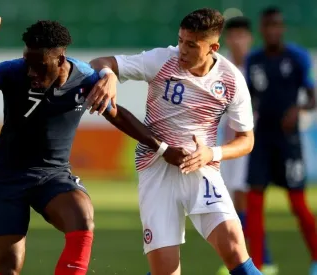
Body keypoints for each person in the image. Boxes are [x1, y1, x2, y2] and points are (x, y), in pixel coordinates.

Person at [0, 16, 169, 275]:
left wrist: (161, 147)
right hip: (7, 178)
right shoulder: (14, 72)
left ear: (61, 60)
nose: (31, 73)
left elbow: (116, 114)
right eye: (28, 64)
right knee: (8, 269)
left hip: (53, 176)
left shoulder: (86, 79)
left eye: (39, 66)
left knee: (83, 218)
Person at [89, 8, 262, 275]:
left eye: (192, 45)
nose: (182, 49)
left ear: (213, 47)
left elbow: (246, 140)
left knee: (235, 251)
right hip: (156, 168)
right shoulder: (161, 60)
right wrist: (109, 75)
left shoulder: (231, 80)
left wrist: (211, 154)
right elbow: (101, 62)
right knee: (166, 271)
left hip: (202, 169)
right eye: (181, 40)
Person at [244, 6, 317, 274]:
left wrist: (297, 109)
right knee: (254, 204)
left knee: (298, 204)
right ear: (262, 30)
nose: (273, 30)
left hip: (289, 141)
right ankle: (258, 266)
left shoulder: (297, 58)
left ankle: (316, 259)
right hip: (261, 139)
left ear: (282, 28)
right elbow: (247, 97)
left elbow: (312, 97)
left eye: (277, 25)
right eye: (268, 26)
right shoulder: (254, 61)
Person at [217, 16, 278, 275]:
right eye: (233, 36)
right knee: (231, 199)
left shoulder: (256, 66)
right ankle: (246, 257)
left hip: (247, 142)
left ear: (249, 38)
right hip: (224, 140)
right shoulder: (220, 66)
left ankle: (261, 258)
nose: (237, 40)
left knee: (244, 198)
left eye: (242, 35)